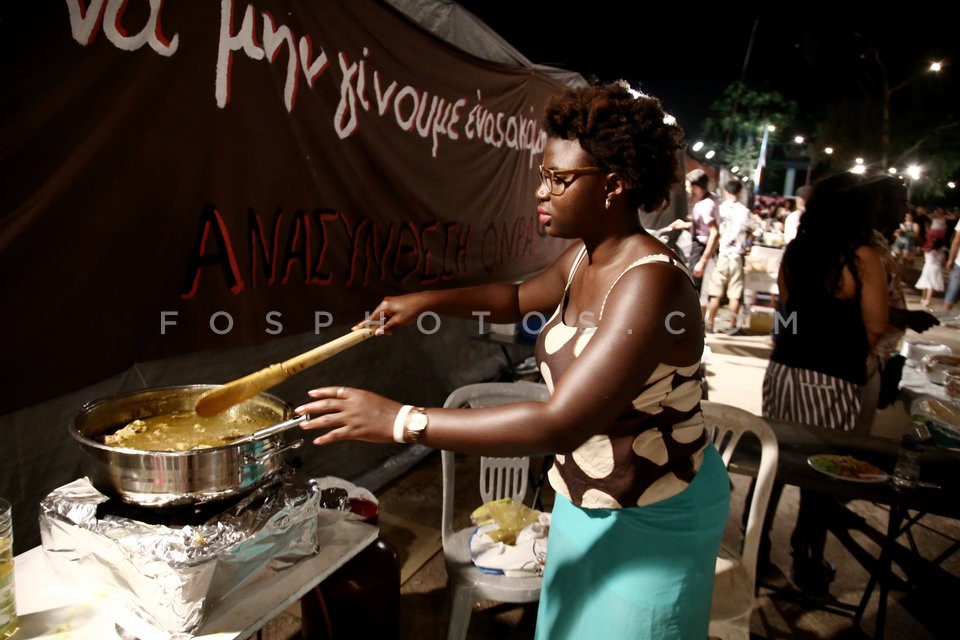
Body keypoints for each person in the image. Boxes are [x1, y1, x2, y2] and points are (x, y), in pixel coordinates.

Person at [294, 83, 730, 639]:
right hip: (585, 499)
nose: (540, 193)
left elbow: (561, 422)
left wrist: (402, 420)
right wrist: (426, 301)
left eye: (558, 179)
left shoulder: (651, 285)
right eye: (542, 175)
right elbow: (519, 298)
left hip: (653, 509)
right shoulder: (584, 258)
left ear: (614, 185)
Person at [761, 172, 891, 594]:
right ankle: (806, 560)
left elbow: (784, 312)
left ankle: (757, 550)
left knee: (774, 465)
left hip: (784, 372)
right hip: (833, 378)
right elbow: (876, 326)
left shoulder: (797, 251)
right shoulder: (862, 256)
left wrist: (789, 347)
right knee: (824, 474)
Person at [704, 179, 753, 333]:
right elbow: (750, 234)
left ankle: (710, 323)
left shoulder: (720, 209)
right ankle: (732, 325)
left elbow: (712, 232)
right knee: (735, 293)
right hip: (737, 256)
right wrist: (746, 245)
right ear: (739, 192)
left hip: (722, 255)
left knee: (715, 291)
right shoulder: (745, 211)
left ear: (725, 191)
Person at [670, 168, 719, 313]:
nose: (687, 190)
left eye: (688, 186)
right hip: (701, 247)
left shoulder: (705, 206)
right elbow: (704, 227)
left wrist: (702, 262)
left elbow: (714, 233)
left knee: (694, 291)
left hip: (702, 249)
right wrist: (684, 225)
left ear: (696, 187)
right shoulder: (711, 199)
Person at [915, 234, 946, 308]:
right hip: (936, 268)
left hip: (927, 267)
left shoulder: (928, 251)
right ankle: (928, 300)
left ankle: (923, 298)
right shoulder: (942, 253)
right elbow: (944, 262)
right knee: (931, 284)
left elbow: (924, 258)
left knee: (925, 282)